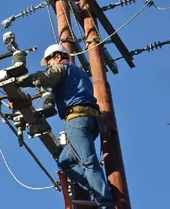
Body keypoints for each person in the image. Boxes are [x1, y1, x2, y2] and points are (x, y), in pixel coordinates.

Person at [17, 44, 114, 208]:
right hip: (90, 121)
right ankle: (98, 190)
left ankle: (106, 204)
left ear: (57, 57)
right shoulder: (79, 72)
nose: (48, 65)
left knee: (89, 163)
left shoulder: (62, 67)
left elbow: (47, 77)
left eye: (49, 61)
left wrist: (22, 80)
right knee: (65, 160)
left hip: (76, 120)